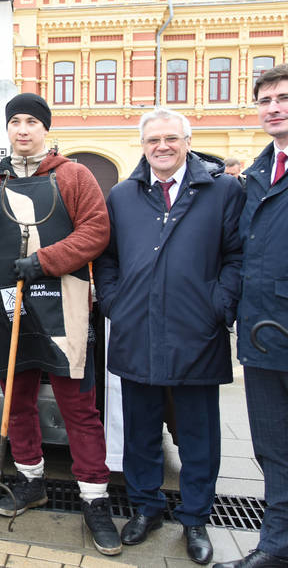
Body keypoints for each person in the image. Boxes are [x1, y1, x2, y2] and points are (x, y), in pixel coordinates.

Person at [0, 94, 121, 556]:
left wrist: (44, 262)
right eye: (16, 122)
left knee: (79, 408)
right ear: (7, 130)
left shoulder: (74, 175)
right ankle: (31, 481)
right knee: (18, 403)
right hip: (7, 310)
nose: (23, 129)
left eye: (32, 121)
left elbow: (96, 231)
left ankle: (94, 498)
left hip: (64, 308)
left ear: (45, 129)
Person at [94, 108, 244, 565]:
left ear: (187, 141)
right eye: (153, 139)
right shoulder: (122, 195)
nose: (162, 146)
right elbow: (108, 258)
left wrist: (219, 305)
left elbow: (237, 256)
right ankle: (146, 507)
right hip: (136, 331)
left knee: (198, 434)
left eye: (171, 139)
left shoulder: (221, 191)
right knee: (140, 431)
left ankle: (195, 517)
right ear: (143, 145)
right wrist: (115, 303)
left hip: (196, 333)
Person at [214, 65, 288, 568]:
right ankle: (276, 545)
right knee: (273, 448)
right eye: (265, 100)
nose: (274, 107)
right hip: (263, 336)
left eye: (284, 97)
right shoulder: (258, 174)